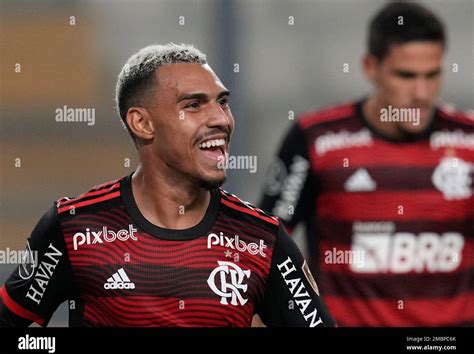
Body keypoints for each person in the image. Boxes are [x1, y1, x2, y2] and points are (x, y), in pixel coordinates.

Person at [0, 43, 335, 327]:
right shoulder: (74, 227)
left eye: (222, 102)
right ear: (142, 123)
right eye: (193, 105)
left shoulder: (261, 239)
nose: (220, 118)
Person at [259, 2, 473, 326]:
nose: (421, 92)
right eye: (406, 75)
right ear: (370, 67)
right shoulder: (316, 140)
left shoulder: (468, 141)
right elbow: (262, 248)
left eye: (432, 75)